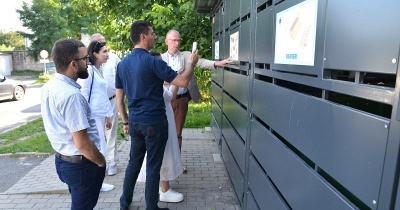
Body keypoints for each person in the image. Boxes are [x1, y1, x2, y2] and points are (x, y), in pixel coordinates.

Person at [116, 20, 198, 210]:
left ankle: (124, 203)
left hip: (135, 121)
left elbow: (120, 100)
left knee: (133, 164)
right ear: (143, 36)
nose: (155, 36)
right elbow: (183, 81)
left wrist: (125, 121)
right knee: (153, 167)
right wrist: (191, 64)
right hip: (154, 121)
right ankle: (152, 207)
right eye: (152, 33)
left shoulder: (122, 64)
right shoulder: (153, 62)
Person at [41, 38, 106, 209]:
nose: (88, 63)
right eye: (85, 59)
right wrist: (100, 161)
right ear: (73, 64)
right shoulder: (71, 95)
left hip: (64, 160)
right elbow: (83, 143)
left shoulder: (50, 86)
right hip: (81, 165)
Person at [161, 29, 232, 173]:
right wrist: (173, 77)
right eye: (174, 40)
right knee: (164, 134)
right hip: (164, 102)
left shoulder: (186, 55)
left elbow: (201, 62)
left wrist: (217, 64)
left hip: (181, 101)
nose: (177, 43)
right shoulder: (159, 58)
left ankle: (176, 164)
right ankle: (164, 165)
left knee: (177, 133)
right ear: (166, 42)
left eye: (178, 40)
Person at [137, 51, 184, 203]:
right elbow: (170, 97)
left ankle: (162, 188)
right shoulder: (155, 84)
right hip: (160, 122)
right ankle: (164, 190)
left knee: (159, 154)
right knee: (163, 154)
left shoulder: (150, 81)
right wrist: (177, 79)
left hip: (154, 121)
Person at [77, 40, 115, 192]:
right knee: (98, 150)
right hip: (92, 116)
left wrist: (107, 115)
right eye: (104, 52)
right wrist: (85, 117)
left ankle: (97, 182)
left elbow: (102, 95)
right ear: (95, 54)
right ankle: (95, 183)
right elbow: (84, 94)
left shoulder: (99, 70)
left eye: (107, 51)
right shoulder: (90, 71)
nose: (107, 54)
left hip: (100, 115)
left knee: (102, 149)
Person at [91, 33, 121, 176]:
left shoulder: (114, 58)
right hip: (95, 108)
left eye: (104, 43)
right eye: (99, 44)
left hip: (112, 100)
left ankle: (112, 162)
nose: (106, 51)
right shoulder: (89, 67)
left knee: (111, 134)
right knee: (97, 136)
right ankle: (99, 164)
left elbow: (122, 76)